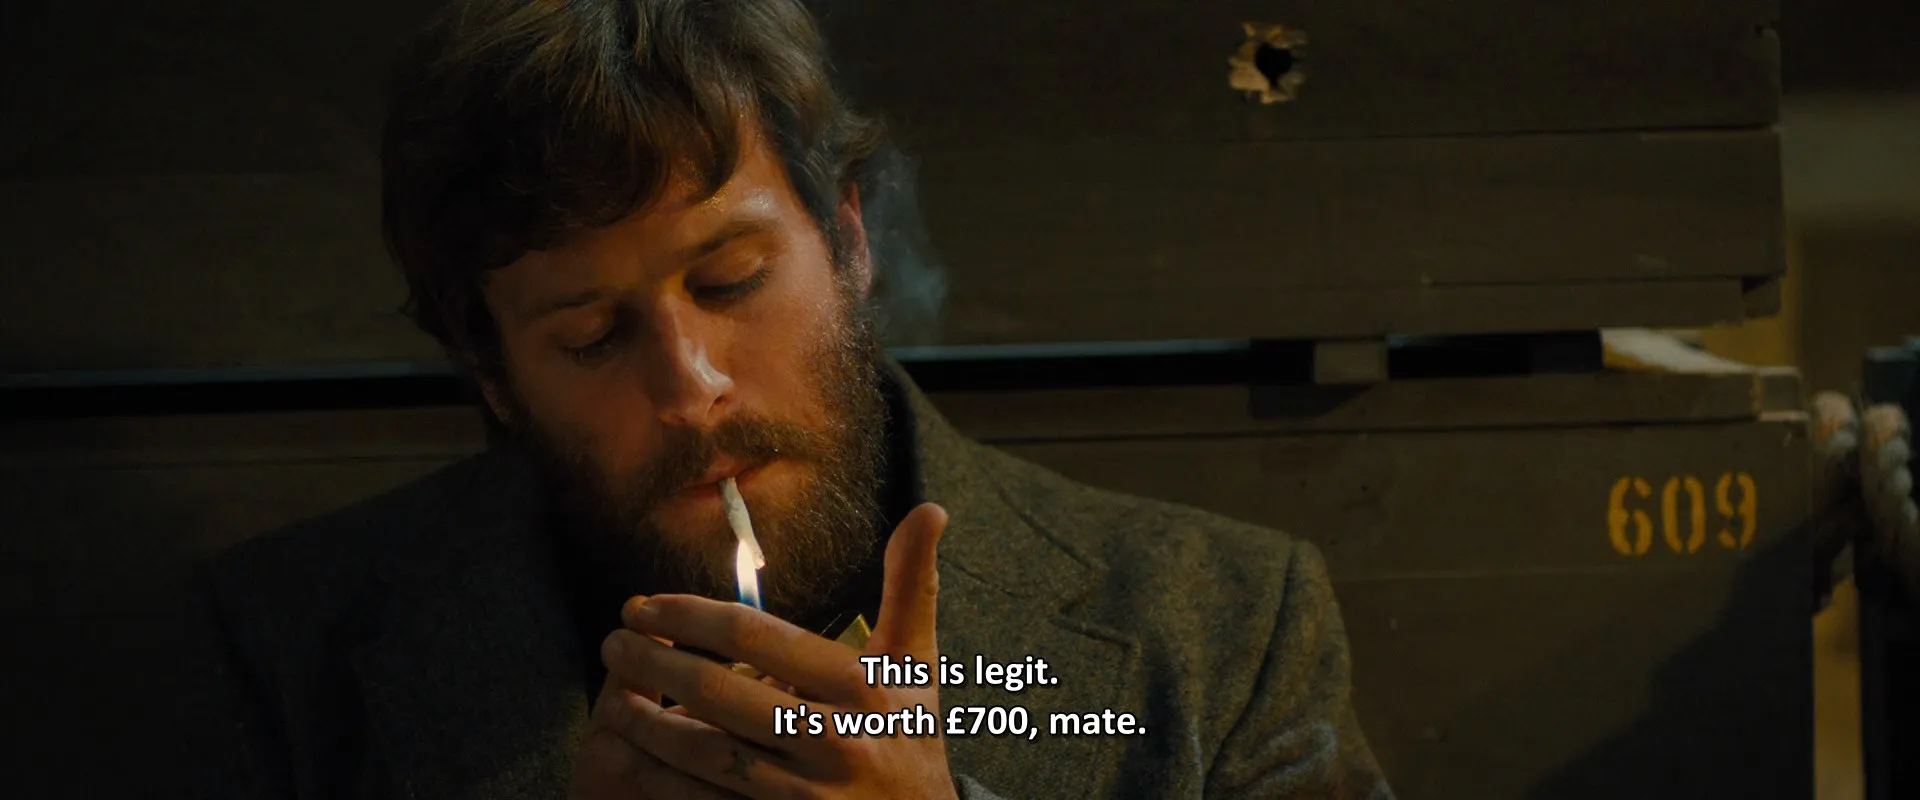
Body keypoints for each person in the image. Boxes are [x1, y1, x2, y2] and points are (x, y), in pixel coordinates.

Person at [195, 0, 1394, 797]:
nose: (691, 386)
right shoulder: (293, 653)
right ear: (494, 375)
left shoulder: (1225, 625)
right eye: (592, 335)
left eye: (731, 280)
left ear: (850, 241)